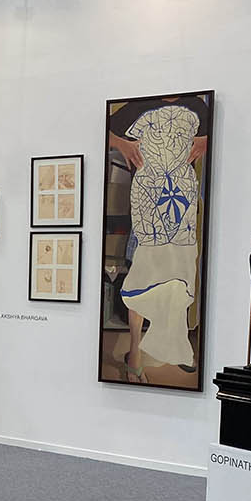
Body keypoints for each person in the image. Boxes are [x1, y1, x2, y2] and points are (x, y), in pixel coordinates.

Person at [105, 94, 210, 381]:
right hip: (147, 205)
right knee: (143, 275)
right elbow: (99, 131)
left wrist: (205, 140)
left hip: (182, 207)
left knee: (178, 277)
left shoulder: (197, 105)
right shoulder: (137, 106)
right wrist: (121, 144)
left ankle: (175, 343)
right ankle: (135, 354)